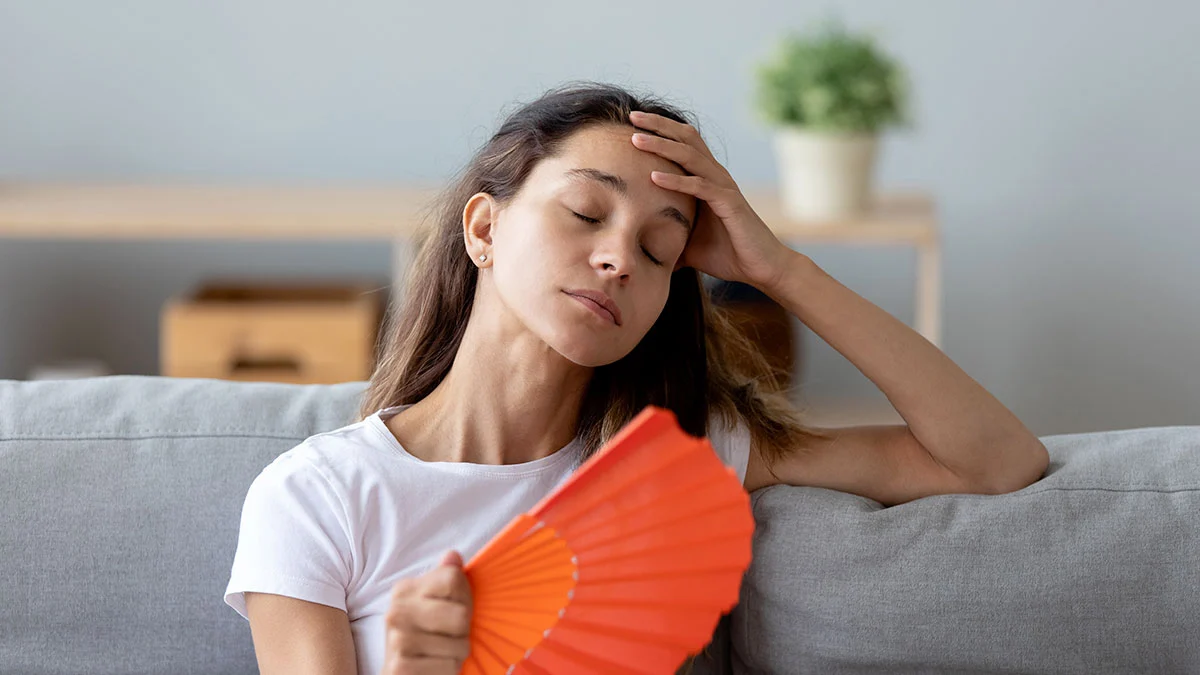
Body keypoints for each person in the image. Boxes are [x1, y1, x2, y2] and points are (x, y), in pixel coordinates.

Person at [223, 82, 1049, 675]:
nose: (620, 257)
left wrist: (781, 268)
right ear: (484, 226)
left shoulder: (677, 453)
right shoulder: (315, 499)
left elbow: (993, 460)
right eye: (586, 213)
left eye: (660, 250)